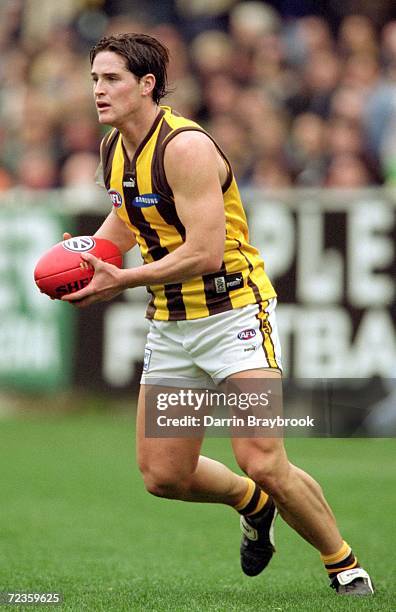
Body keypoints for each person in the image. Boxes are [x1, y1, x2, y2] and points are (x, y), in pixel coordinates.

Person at [62, 33, 374, 596]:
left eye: (111, 79)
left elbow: (204, 252)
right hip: (172, 324)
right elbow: (127, 226)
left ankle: (344, 565)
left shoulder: (185, 147)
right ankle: (251, 506)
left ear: (146, 84)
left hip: (234, 317)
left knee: (263, 459)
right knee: (163, 476)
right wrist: (85, 261)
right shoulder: (114, 148)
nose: (99, 90)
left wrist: (121, 280)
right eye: (94, 79)